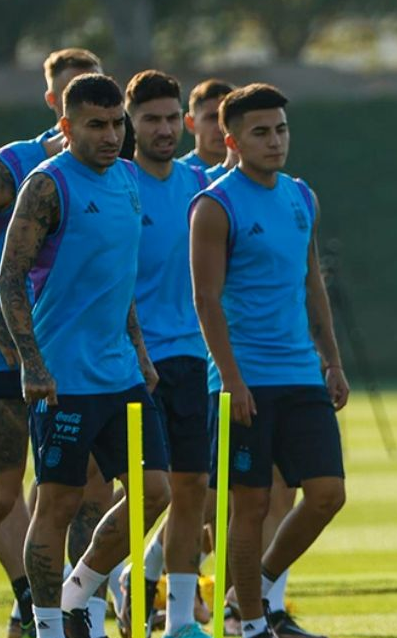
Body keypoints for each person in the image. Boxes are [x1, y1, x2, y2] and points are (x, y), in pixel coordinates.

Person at [0, 73, 171, 638]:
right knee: (59, 502)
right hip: (64, 377)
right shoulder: (47, 185)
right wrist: (32, 362)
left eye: (117, 123)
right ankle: (49, 625)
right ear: (67, 126)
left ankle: (78, 591)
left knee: (154, 493)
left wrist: (140, 351)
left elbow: (119, 279)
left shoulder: (128, 178)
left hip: (120, 372)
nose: (111, 135)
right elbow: (10, 276)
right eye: (97, 125)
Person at [190, 83, 350, 638]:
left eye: (281, 129)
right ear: (232, 141)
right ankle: (253, 625)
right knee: (251, 504)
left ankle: (251, 587)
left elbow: (312, 284)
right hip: (245, 379)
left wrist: (332, 361)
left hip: (301, 373)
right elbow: (206, 300)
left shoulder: (301, 197)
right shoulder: (215, 205)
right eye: (260, 132)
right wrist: (231, 380)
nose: (275, 141)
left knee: (328, 494)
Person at [0, 48, 111, 638]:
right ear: (55, 103)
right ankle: (33, 598)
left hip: (80, 357)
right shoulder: (19, 164)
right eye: (73, 90)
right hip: (13, 350)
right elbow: (12, 267)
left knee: (89, 490)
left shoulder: (112, 170)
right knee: (6, 493)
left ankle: (74, 609)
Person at [118, 69, 212, 638]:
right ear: (130, 123)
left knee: (192, 490)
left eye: (172, 117)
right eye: (151, 119)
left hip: (191, 357)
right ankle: (95, 591)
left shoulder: (199, 184)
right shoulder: (117, 182)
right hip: (129, 362)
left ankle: (178, 620)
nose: (164, 128)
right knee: (141, 493)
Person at [180, 80, 234, 170]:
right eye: (212, 118)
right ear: (190, 123)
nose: (221, 128)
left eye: (227, 118)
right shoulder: (179, 174)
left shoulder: (253, 174)